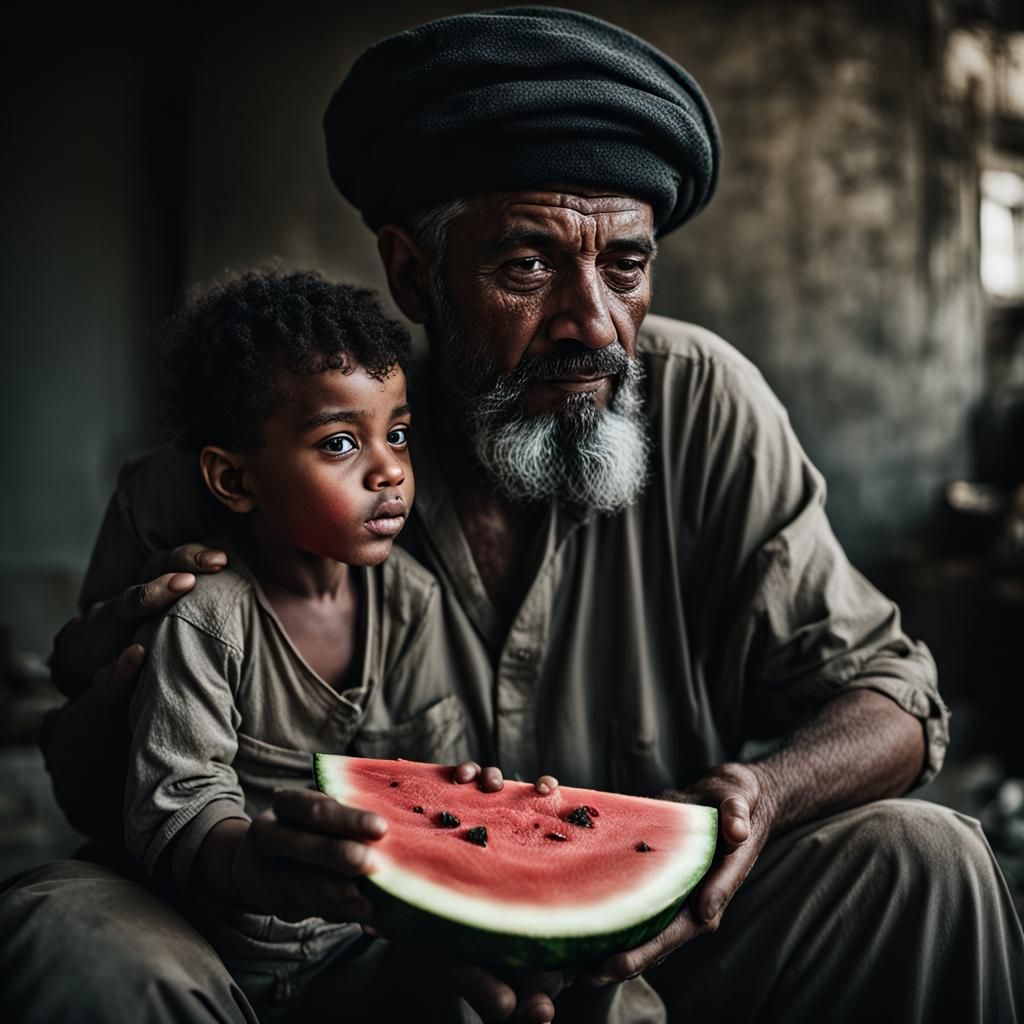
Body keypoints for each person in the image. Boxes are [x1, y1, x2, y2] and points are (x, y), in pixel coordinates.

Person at [2, 7, 1022, 1024]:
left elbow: (891, 694)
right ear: (413, 272)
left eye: (623, 265)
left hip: (641, 960)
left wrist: (762, 795)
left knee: (927, 857)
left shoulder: (704, 404)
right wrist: (108, 702)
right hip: (310, 978)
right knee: (66, 927)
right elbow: (109, 801)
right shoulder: (215, 482)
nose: (592, 324)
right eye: (527, 266)